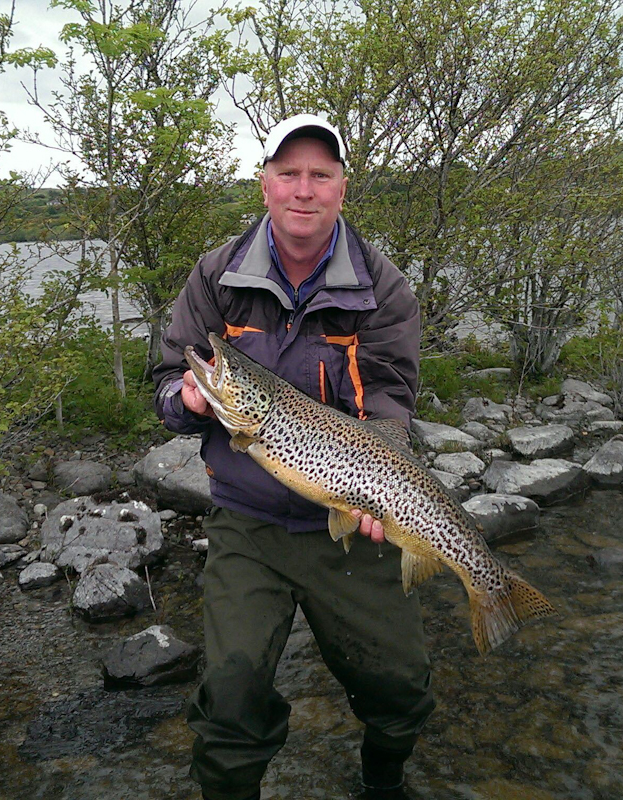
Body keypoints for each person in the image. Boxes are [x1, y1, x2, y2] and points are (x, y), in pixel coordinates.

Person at [153, 114, 435, 800]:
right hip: (246, 524)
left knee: (398, 684)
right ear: (265, 185)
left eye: (320, 175)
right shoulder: (217, 275)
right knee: (231, 697)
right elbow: (165, 381)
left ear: (342, 188)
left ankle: (384, 780)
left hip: (350, 521)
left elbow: (389, 406)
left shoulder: (383, 288)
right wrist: (188, 401)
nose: (302, 190)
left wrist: (381, 498)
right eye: (288, 174)